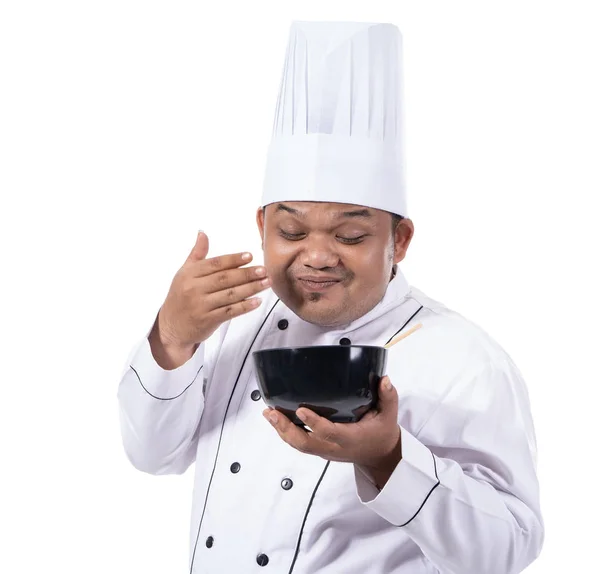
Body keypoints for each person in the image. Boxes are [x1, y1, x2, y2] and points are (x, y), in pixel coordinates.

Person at [117, 21, 544, 573]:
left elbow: (509, 549)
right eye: (292, 233)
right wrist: (171, 339)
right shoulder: (232, 324)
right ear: (261, 226)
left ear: (400, 240)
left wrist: (388, 459)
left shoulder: (465, 360)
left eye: (349, 236)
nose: (316, 257)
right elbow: (152, 457)